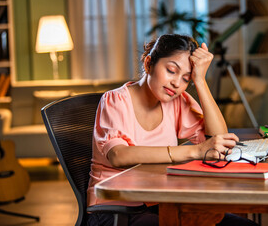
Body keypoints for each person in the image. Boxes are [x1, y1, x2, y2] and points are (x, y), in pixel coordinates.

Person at [87, 34, 258, 226]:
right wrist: (194, 150)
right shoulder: (115, 100)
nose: (177, 84)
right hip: (114, 210)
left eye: (186, 78)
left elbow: (218, 140)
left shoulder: (177, 101)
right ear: (148, 63)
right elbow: (118, 155)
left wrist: (200, 80)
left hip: (161, 202)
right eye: (171, 70)